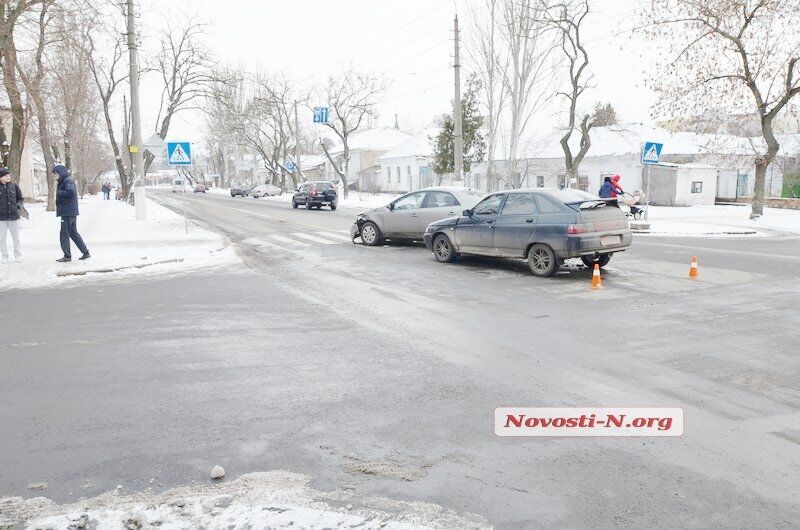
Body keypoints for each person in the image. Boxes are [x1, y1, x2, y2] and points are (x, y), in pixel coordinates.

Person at [54, 165, 90, 262]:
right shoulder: (65, 180)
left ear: (60, 173)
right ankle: (85, 252)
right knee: (73, 233)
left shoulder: (67, 180)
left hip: (67, 212)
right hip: (69, 211)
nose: (55, 176)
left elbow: (71, 192)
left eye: (55, 173)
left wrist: (59, 193)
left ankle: (67, 255)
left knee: (64, 234)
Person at [0, 168, 24, 263]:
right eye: (6, 176)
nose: (8, 177)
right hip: (1, 218)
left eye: (9, 176)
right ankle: (4, 256)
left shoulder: (14, 186)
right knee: (1, 238)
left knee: (16, 238)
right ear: (1, 177)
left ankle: (18, 255)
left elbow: (20, 198)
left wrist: (17, 206)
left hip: (14, 217)